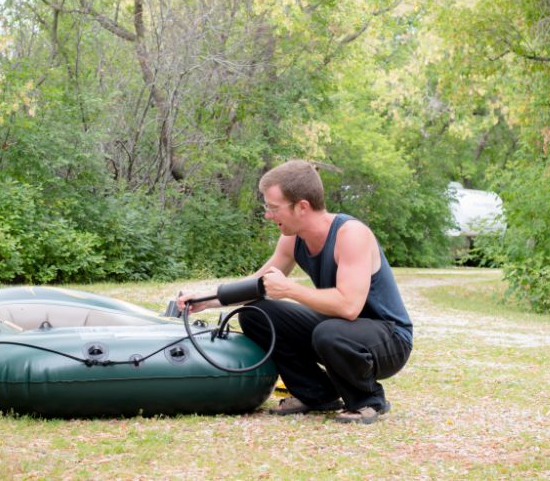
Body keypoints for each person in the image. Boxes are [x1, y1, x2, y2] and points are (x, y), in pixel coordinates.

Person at [177, 160, 413, 424]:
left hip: (389, 339)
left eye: (274, 208)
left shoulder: (351, 234)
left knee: (329, 333)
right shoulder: (292, 237)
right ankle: (317, 394)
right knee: (255, 313)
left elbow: (349, 306)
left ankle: (368, 400)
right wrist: (205, 300)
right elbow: (258, 283)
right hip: (339, 328)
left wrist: (289, 289)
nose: (268, 215)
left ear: (302, 206)